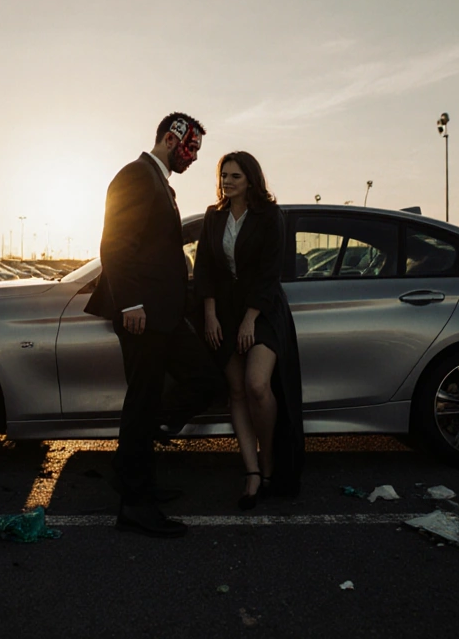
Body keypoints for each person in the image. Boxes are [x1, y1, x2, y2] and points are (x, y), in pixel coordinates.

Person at [85, 112, 223, 538]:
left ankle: (131, 466)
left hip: (163, 314)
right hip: (143, 314)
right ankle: (136, 504)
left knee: (200, 379)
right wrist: (131, 304)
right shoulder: (136, 176)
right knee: (142, 402)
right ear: (171, 138)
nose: (195, 157)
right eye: (192, 148)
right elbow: (114, 243)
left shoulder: (158, 180)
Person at [193, 151, 304, 509]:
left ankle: (270, 462)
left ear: (251, 180)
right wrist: (210, 315)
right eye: (224, 175)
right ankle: (252, 472)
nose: (227, 181)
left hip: (264, 309)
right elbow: (205, 268)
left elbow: (272, 271)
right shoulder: (214, 216)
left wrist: (250, 318)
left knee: (258, 385)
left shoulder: (271, 216)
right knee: (237, 391)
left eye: (235, 176)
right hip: (223, 311)